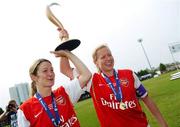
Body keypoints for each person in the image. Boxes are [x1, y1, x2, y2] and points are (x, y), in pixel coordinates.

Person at [59, 29, 168, 127]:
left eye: (109, 55)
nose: (108, 59)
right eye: (103, 57)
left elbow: (147, 99)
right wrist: (64, 42)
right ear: (96, 62)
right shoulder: (91, 80)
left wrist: (163, 124)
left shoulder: (129, 74)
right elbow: (65, 69)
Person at [17, 49, 91, 126]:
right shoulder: (25, 110)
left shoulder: (64, 92)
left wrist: (67, 53)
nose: (50, 74)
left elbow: (86, 75)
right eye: (45, 71)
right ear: (34, 77)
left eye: (52, 70)